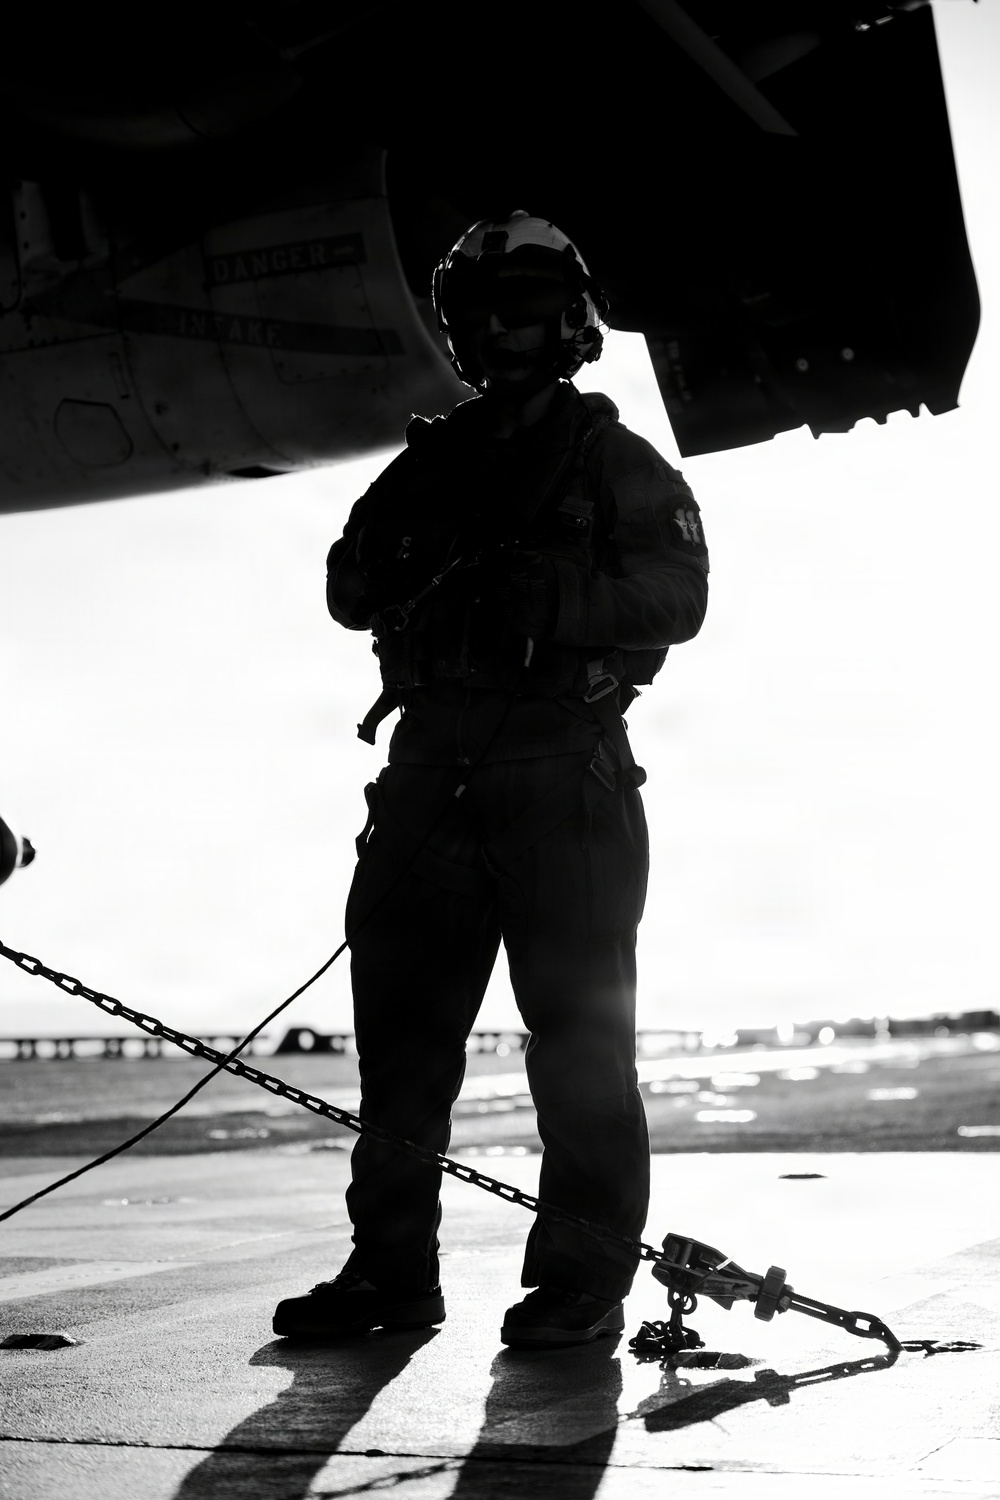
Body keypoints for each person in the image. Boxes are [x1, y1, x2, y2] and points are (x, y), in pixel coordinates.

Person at [273, 211, 709, 1347]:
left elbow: (681, 600)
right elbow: (346, 586)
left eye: (523, 309)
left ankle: (579, 1283)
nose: (501, 332)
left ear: (569, 323)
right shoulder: (423, 467)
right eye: (479, 314)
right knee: (401, 1059)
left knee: (578, 1053)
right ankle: (389, 1275)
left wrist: (555, 606)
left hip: (563, 786)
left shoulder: (616, 464)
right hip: (427, 791)